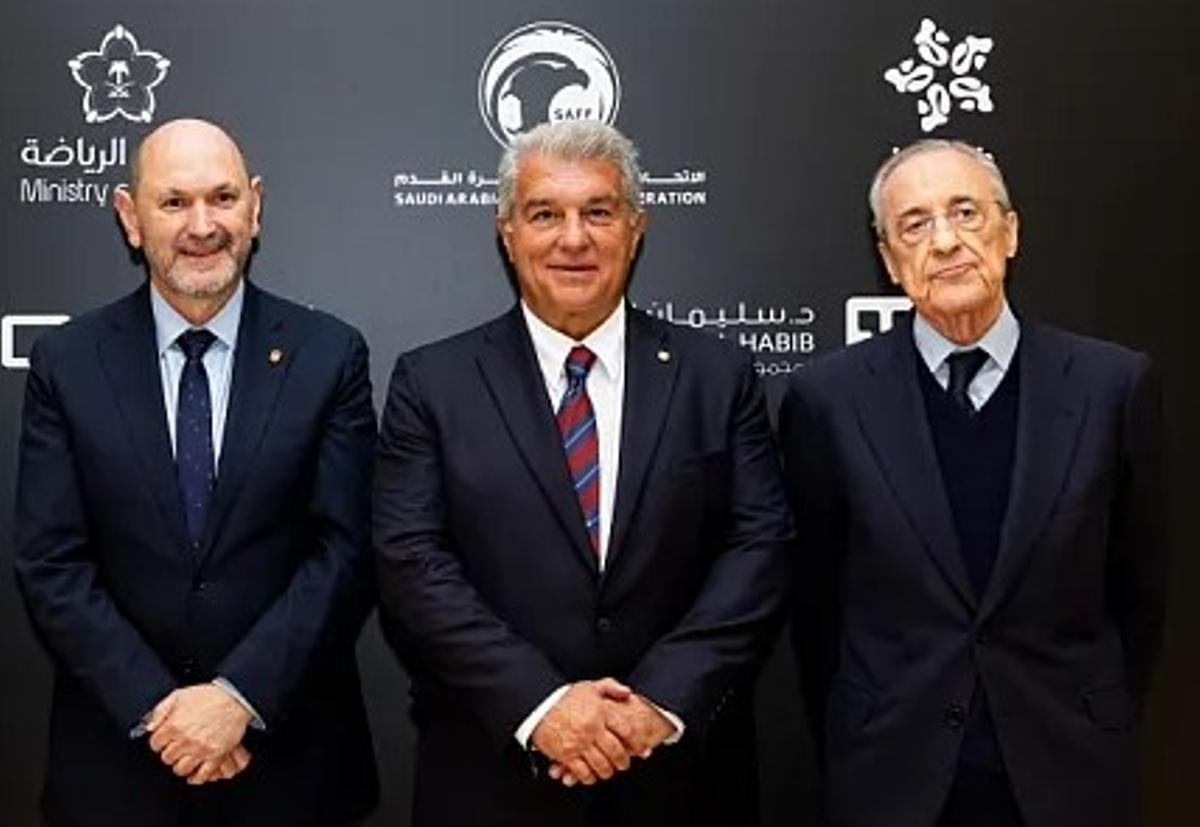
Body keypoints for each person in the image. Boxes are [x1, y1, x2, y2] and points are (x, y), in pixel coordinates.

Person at [373, 119, 794, 826]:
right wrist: (542, 706)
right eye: (545, 214)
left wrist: (655, 704)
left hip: (680, 779)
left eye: (598, 211)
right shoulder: (432, 383)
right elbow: (412, 563)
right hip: (493, 775)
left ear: (636, 226)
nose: (574, 238)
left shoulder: (717, 377)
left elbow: (759, 549)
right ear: (507, 231)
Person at [779, 139, 1167, 827]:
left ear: (1010, 231)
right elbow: (816, 607)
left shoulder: (1113, 386)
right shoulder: (826, 400)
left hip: (1070, 772)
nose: (947, 240)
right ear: (890, 259)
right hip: (894, 778)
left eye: (965, 211)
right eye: (916, 224)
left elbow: (1141, 592)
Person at [13, 118, 378, 826]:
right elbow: (51, 560)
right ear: (130, 216)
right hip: (117, 769)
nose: (202, 225)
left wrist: (236, 696)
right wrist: (161, 711)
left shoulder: (329, 354)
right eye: (174, 202)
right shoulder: (68, 361)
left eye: (222, 197)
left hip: (293, 766)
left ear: (256, 206)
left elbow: (346, 551)